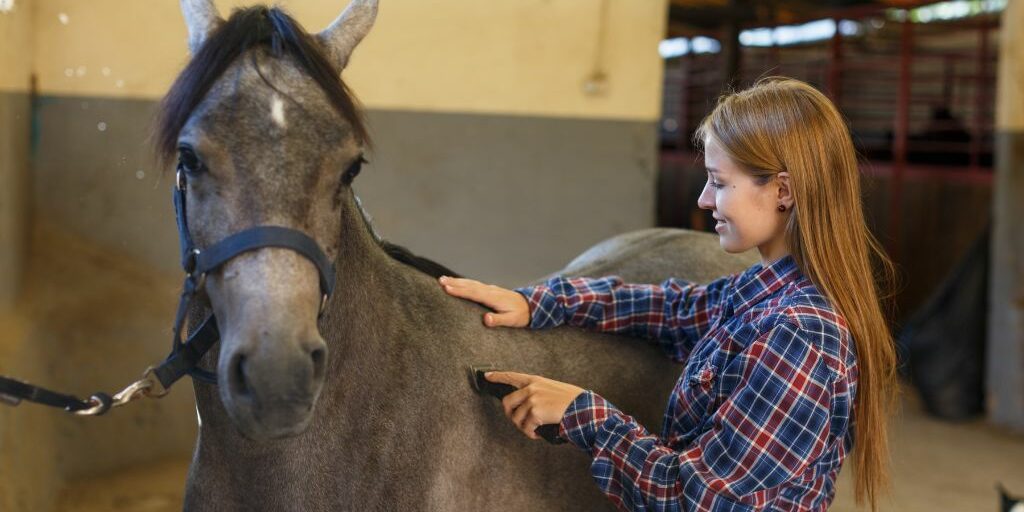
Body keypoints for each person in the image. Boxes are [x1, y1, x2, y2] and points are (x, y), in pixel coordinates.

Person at [439, 77, 896, 511]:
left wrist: (585, 413)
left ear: (783, 191)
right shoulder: (762, 295)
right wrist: (541, 302)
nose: (703, 199)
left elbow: (694, 501)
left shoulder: (800, 337)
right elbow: (674, 309)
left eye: (719, 182)